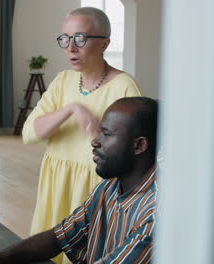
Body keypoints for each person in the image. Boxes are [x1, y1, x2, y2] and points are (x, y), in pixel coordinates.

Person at [0, 97, 158, 264]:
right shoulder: (108, 187)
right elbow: (59, 236)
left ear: (139, 145)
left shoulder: (156, 213)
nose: (95, 141)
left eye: (106, 134)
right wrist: (2, 257)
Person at [22, 7, 142, 263]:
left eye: (80, 38)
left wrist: (98, 132)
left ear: (105, 43)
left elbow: (134, 153)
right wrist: (72, 108)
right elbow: (30, 134)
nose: (70, 48)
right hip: (57, 181)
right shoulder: (62, 81)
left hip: (94, 187)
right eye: (65, 38)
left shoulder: (124, 86)